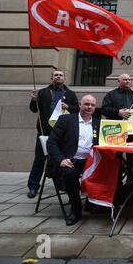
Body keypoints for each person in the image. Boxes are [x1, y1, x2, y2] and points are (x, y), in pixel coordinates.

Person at [46, 95, 100, 225]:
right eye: (86, 104)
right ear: (80, 105)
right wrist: (61, 159)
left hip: (90, 161)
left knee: (113, 168)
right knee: (70, 174)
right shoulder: (66, 120)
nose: (90, 107)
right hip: (70, 160)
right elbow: (51, 142)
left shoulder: (98, 123)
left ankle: (94, 202)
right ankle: (76, 209)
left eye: (92, 105)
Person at [27, 70, 79, 198]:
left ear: (64, 78)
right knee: (39, 159)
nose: (58, 77)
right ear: (52, 78)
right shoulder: (44, 92)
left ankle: (61, 184)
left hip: (62, 134)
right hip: (45, 131)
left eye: (60, 75)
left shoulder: (70, 94)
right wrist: (34, 100)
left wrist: (68, 106)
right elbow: (34, 109)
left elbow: (77, 110)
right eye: (56, 75)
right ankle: (33, 186)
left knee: (60, 159)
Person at [101, 74, 133, 198]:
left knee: (132, 158)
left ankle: (131, 184)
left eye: (129, 79)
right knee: (117, 158)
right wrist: (118, 112)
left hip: (132, 131)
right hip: (116, 130)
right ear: (119, 81)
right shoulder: (111, 95)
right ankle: (117, 184)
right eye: (125, 79)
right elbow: (104, 110)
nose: (128, 81)